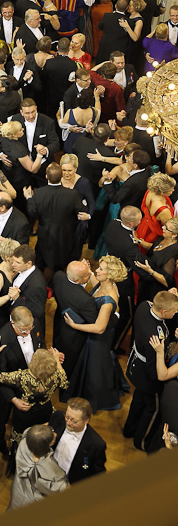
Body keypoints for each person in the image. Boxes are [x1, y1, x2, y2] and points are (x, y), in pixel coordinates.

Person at [0, 337, 68, 470]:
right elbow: (64, 382)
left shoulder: (23, 377)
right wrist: (57, 361)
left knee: (21, 440)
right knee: (40, 437)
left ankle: (21, 462)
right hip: (45, 411)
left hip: (25, 415)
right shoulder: (54, 375)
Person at [64, 255, 127, 412]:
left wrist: (75, 325)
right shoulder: (102, 284)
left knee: (94, 370)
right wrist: (89, 271)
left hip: (99, 339)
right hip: (95, 335)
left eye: (100, 269)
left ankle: (94, 398)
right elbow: (93, 282)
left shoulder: (109, 299)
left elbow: (99, 328)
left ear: (109, 275)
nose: (97, 270)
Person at [123, 290, 178, 450]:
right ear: (164, 312)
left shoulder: (143, 307)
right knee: (152, 409)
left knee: (138, 400)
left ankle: (129, 430)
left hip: (135, 366)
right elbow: (156, 373)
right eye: (174, 311)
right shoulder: (156, 338)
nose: (176, 314)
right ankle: (141, 441)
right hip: (148, 379)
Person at [7, 424, 68, 510]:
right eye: (52, 438)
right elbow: (60, 488)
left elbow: (31, 431)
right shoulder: (47, 466)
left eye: (52, 430)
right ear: (47, 444)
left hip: (18, 489)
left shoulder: (25, 441)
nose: (55, 435)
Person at [50, 397, 107, 484]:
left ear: (86, 421)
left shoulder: (97, 445)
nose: (68, 422)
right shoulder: (58, 417)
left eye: (74, 421)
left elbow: (98, 474)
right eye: (67, 416)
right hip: (48, 472)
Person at [136, 173, 175, 251]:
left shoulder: (151, 190)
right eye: (170, 189)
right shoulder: (164, 211)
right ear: (162, 193)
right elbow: (170, 228)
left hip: (143, 225)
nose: (173, 190)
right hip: (152, 234)